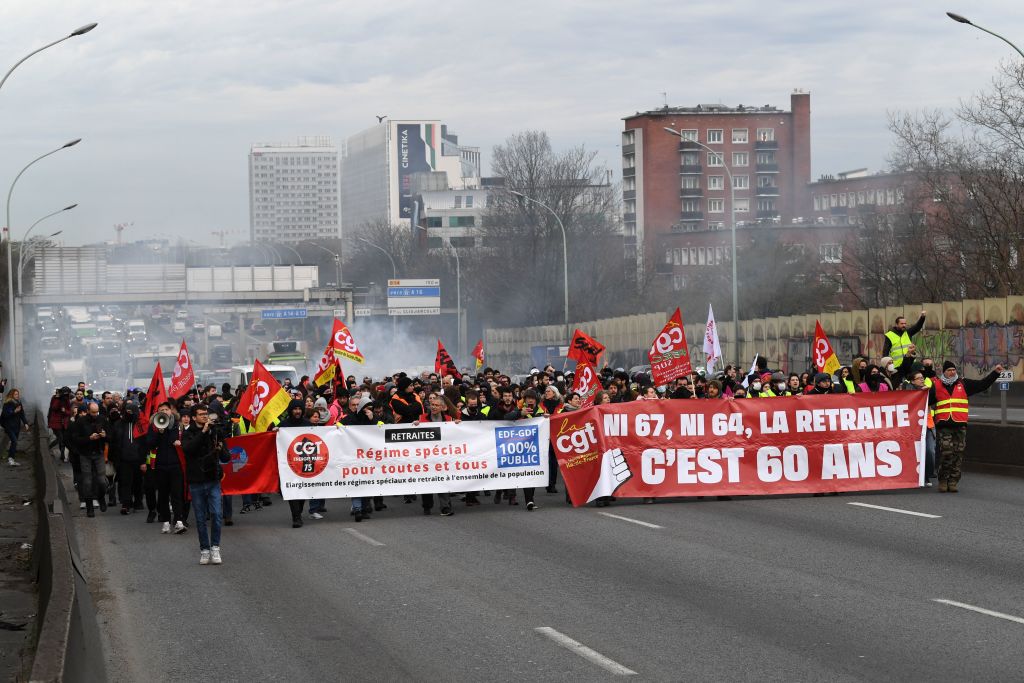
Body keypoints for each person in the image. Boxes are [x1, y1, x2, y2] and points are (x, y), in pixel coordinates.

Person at [931, 360, 1001, 493]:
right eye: (949, 370)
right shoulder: (936, 386)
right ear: (944, 372)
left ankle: (953, 481)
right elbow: (924, 400)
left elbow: (982, 385)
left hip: (960, 424)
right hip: (944, 425)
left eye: (953, 370)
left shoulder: (964, 384)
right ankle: (943, 479)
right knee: (947, 452)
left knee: (958, 453)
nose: (952, 372)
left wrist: (995, 373)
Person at [181, 405, 226, 565]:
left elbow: (225, 455)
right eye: (201, 414)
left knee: (216, 515)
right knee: (200, 518)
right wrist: (203, 432)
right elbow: (188, 449)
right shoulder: (188, 433)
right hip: (196, 481)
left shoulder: (213, 431)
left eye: (206, 414)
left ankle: (215, 547)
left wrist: (220, 444)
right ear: (194, 417)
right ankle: (205, 549)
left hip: (212, 479)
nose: (205, 417)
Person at [138, 403, 187, 534]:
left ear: (171, 411)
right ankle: (166, 521)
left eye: (166, 409)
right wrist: (159, 432)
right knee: (163, 495)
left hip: (175, 465)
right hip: (160, 466)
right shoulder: (153, 427)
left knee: (177, 494)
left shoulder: (178, 425)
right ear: (157, 413)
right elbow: (149, 443)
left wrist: (169, 431)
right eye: (162, 410)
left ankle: (178, 521)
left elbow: (177, 441)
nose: (164, 411)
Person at [416, 392, 457, 516]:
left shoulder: (449, 420)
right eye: (432, 404)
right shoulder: (422, 418)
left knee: (443, 481)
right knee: (427, 482)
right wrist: (415, 425)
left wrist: (459, 426)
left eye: (436, 405)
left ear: (443, 407)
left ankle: (445, 506)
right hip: (427, 457)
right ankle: (427, 506)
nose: (433, 407)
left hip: (442, 457)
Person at [68, 401, 108, 517]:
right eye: (93, 412)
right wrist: (89, 438)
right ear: (88, 411)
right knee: (87, 482)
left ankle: (101, 498)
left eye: (97, 412)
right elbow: (75, 439)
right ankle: (89, 507)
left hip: (99, 453)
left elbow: (110, 436)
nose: (95, 414)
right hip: (85, 454)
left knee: (101, 481)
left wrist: (105, 436)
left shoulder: (102, 419)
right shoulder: (80, 421)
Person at [278, 399, 312, 528]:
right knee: (292, 490)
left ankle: (298, 512)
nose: (297, 411)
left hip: (304, 462)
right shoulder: (283, 425)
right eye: (295, 409)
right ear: (290, 410)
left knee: (302, 490)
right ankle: (296, 517)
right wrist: (276, 431)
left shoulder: (307, 424)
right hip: (288, 465)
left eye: (299, 409)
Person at [108, 400, 145, 514]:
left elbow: (145, 443)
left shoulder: (140, 425)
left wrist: (143, 460)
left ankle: (138, 501)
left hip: (138, 459)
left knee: (138, 482)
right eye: (127, 411)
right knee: (125, 482)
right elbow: (113, 442)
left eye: (131, 411)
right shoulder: (118, 424)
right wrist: (112, 458)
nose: (129, 413)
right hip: (123, 459)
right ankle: (126, 504)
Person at [2, 388, 30, 467]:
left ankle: (11, 459)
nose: (17, 396)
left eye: (17, 394)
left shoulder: (19, 403)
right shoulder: (8, 403)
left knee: (14, 442)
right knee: (14, 441)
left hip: (16, 426)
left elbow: (22, 414)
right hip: (9, 426)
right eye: (15, 394)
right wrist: (14, 411)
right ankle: (10, 459)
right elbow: (5, 414)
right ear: (11, 395)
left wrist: (26, 423)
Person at [47, 386, 73, 462]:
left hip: (64, 423)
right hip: (55, 422)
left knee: (63, 440)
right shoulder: (55, 398)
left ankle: (62, 455)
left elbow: (69, 412)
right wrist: (57, 398)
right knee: (60, 439)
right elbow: (53, 408)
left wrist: (65, 411)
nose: (65, 395)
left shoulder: (67, 399)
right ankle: (49, 448)